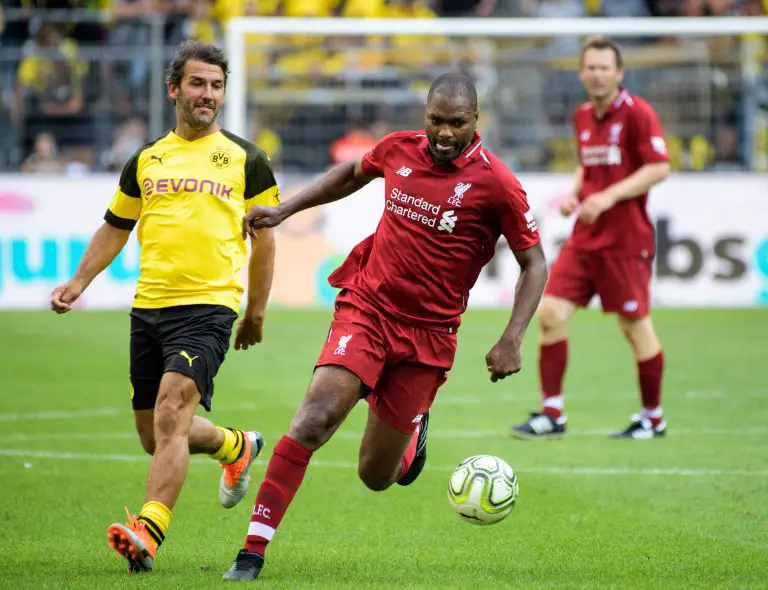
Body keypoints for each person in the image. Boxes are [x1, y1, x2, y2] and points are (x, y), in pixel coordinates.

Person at [223, 72, 549, 581]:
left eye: (456, 123)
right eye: (436, 120)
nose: (444, 133)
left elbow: (535, 265)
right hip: (368, 308)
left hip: (429, 336)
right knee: (315, 417)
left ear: (476, 121)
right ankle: (251, 551)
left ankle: (411, 431)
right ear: (425, 115)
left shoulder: (497, 185)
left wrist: (512, 338)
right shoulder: (399, 149)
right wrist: (285, 209)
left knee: (375, 476)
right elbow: (351, 174)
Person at [49, 40, 281, 572]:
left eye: (216, 86)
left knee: (173, 412)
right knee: (154, 434)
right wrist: (79, 281)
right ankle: (234, 445)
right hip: (149, 306)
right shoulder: (147, 159)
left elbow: (266, 241)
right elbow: (115, 226)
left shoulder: (248, 159)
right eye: (197, 84)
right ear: (173, 89)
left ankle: (147, 533)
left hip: (210, 307)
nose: (207, 95)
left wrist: (256, 312)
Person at [511, 36, 670, 441]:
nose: (597, 74)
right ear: (582, 73)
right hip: (587, 236)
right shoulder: (583, 115)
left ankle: (653, 417)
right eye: (591, 67)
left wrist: (608, 196)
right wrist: (575, 195)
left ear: (619, 74)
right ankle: (552, 414)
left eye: (605, 68)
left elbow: (659, 167)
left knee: (635, 326)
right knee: (549, 314)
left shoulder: (638, 114)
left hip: (626, 238)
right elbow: (588, 167)